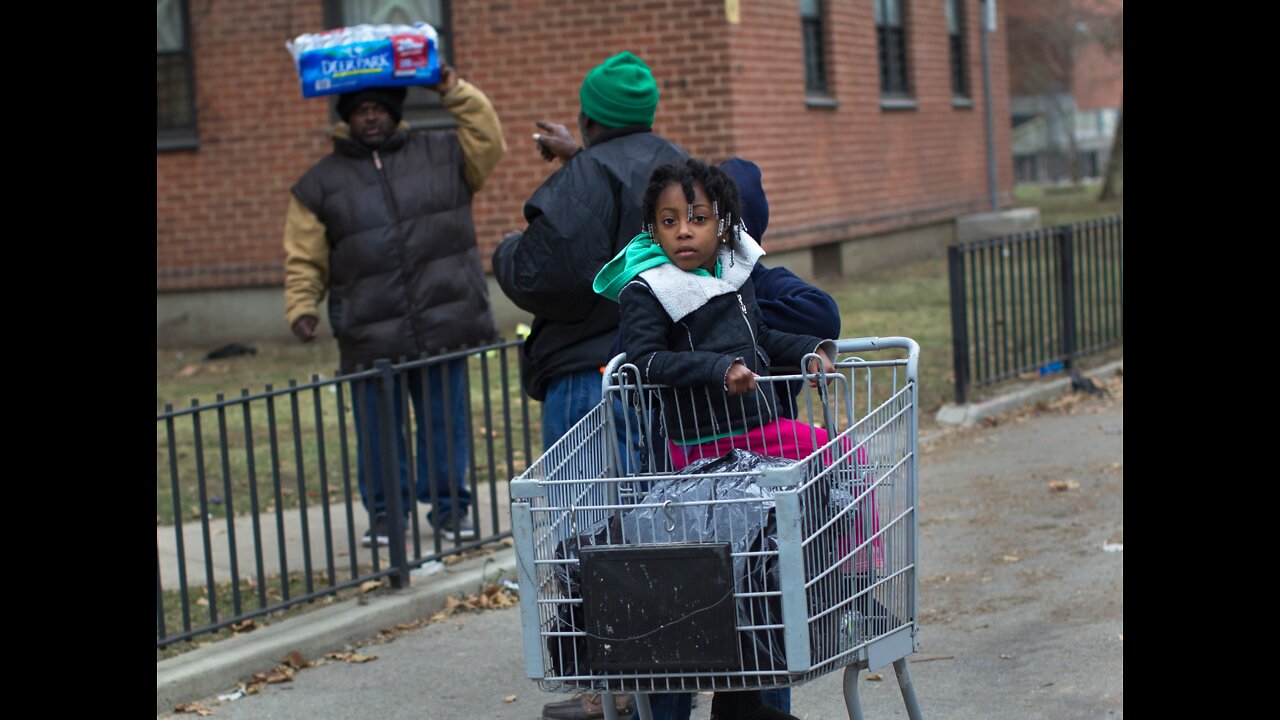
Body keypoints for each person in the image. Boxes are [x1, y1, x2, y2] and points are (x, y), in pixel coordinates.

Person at [592, 158, 838, 720]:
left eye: (697, 218)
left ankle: (839, 584)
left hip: (752, 437)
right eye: (669, 220)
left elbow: (763, 336)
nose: (683, 230)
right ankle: (849, 580)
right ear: (651, 229)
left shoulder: (735, 276)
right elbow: (646, 360)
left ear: (723, 224)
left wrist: (808, 350)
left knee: (817, 477)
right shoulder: (648, 290)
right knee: (830, 458)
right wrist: (715, 370)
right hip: (700, 448)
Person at [493, 50, 686, 720]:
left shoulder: (586, 174)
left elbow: (547, 272)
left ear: (588, 117)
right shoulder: (678, 169)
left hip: (591, 377)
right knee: (664, 530)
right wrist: (582, 161)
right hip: (670, 379)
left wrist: (504, 253)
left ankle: (610, 685)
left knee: (591, 533)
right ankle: (659, 668)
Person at [282, 66, 506, 545]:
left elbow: (489, 138)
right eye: (361, 111)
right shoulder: (317, 184)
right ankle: (386, 515)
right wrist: (302, 305)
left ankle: (451, 511)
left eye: (379, 108)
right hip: (368, 327)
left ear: (394, 112)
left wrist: (452, 89)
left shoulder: (445, 154)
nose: (370, 118)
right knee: (377, 434)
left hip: (443, 316)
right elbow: (304, 255)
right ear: (347, 118)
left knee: (445, 424)